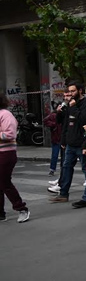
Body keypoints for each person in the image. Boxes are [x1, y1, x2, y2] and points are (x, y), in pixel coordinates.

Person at [49, 83, 86, 205]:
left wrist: (74, 107)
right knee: (66, 168)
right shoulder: (69, 104)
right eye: (69, 92)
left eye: (72, 91)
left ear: (80, 91)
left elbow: (83, 120)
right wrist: (63, 140)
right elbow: (64, 123)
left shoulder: (84, 104)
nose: (70, 94)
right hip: (70, 142)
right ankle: (63, 193)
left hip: (81, 142)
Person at [0, 94, 29, 223]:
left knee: (4, 182)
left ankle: (22, 208)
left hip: (6, 153)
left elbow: (10, 134)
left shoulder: (5, 114)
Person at [43, 104, 62, 177]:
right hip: (56, 137)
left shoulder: (64, 114)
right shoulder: (53, 115)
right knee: (55, 155)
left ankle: (62, 169)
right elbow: (45, 120)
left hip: (62, 138)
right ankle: (52, 169)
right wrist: (54, 125)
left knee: (64, 155)